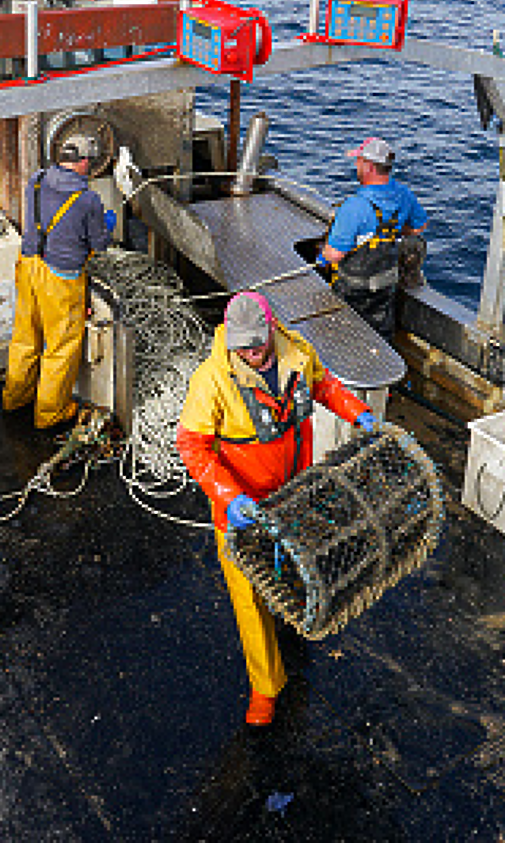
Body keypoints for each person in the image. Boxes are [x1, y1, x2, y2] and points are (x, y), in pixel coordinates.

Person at [176, 291, 376, 726]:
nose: (251, 352)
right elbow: (192, 446)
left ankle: (294, 615)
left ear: (270, 329)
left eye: (257, 342)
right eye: (242, 345)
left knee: (291, 566)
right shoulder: (210, 381)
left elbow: (324, 385)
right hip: (242, 509)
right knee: (249, 597)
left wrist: (356, 412)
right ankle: (266, 687)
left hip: (293, 493)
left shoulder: (298, 353)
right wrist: (229, 497)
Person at [1, 133, 113, 429]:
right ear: (84, 162)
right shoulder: (88, 199)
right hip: (60, 279)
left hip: (28, 266)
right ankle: (49, 413)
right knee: (61, 347)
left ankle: (15, 397)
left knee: (25, 337)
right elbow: (99, 245)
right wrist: (107, 224)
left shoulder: (36, 180)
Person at [317, 136, 427, 339]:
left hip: (353, 291)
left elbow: (334, 255)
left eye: (358, 161)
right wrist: (390, 232)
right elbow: (419, 227)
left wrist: (322, 254)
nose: (356, 166)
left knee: (344, 337)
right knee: (380, 335)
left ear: (368, 167)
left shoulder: (353, 207)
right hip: (386, 286)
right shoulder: (404, 195)